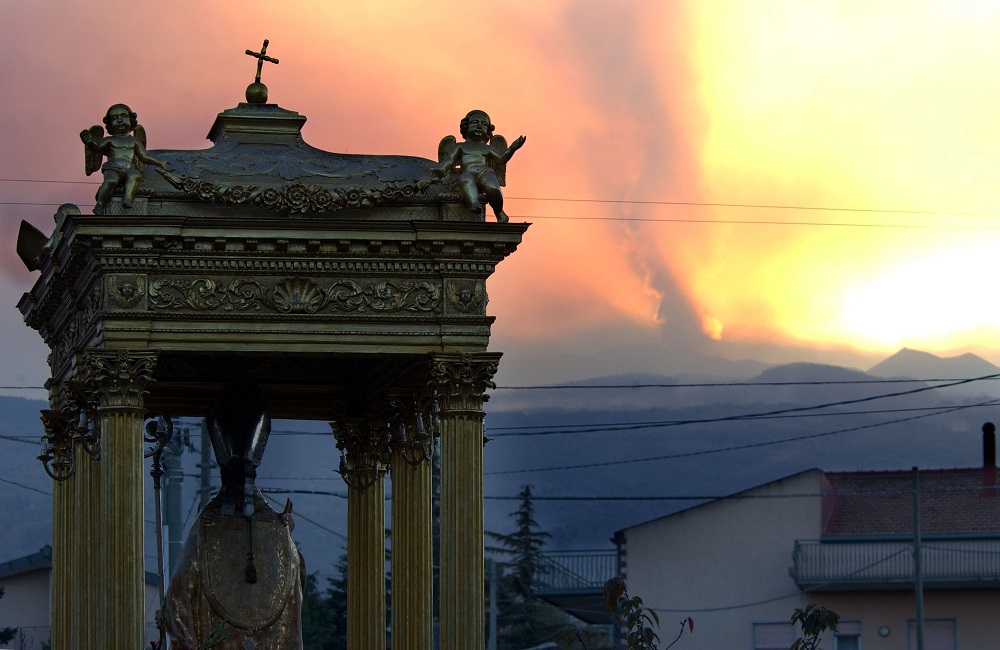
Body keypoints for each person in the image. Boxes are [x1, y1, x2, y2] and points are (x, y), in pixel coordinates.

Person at [163, 379, 304, 649]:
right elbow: (179, 596)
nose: (240, 486)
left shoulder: (276, 529)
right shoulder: (208, 527)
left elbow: (292, 596)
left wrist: (286, 534)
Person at [434, 110, 525, 222]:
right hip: (468, 172)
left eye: (484, 124)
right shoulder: (460, 146)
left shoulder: (487, 148)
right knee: (465, 179)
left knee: (493, 187)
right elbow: (448, 161)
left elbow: (501, 160)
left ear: (488, 130)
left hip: (485, 172)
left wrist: (513, 148)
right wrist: (438, 170)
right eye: (475, 122)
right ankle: (474, 203)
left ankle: (499, 211)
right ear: (466, 127)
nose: (479, 126)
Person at [80, 104, 168, 213]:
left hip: (129, 169)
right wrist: (90, 142)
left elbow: (144, 157)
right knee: (111, 181)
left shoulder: (134, 141)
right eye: (115, 118)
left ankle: (128, 199)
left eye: (123, 116)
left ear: (131, 120)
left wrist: (160, 162)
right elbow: (97, 149)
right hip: (113, 168)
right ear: (110, 125)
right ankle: (100, 204)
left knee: (135, 175)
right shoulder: (109, 140)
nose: (120, 120)